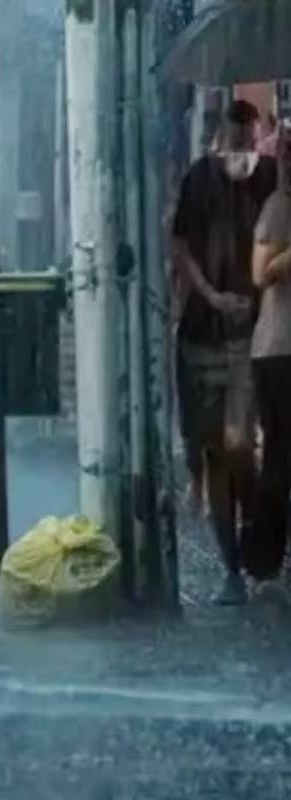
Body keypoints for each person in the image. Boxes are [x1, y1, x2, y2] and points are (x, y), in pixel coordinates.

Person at [172, 99, 277, 605]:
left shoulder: (274, 176)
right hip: (204, 334)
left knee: (239, 446)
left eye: (250, 141)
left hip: (256, 334)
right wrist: (211, 296)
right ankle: (231, 565)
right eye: (237, 141)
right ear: (222, 137)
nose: (244, 151)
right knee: (215, 453)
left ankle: (257, 531)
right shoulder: (199, 178)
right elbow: (182, 246)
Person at [249, 125, 291, 585]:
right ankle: (263, 553)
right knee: (280, 454)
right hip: (280, 349)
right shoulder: (278, 208)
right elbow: (260, 273)